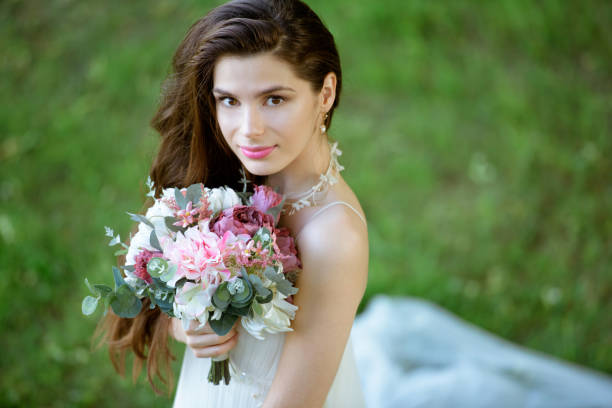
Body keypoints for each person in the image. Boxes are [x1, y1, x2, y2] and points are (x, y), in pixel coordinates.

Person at [97, 1, 368, 407]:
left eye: (274, 100)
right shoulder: (230, 177)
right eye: (229, 101)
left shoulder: (333, 239)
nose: (248, 131)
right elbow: (174, 314)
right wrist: (187, 325)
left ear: (325, 93)